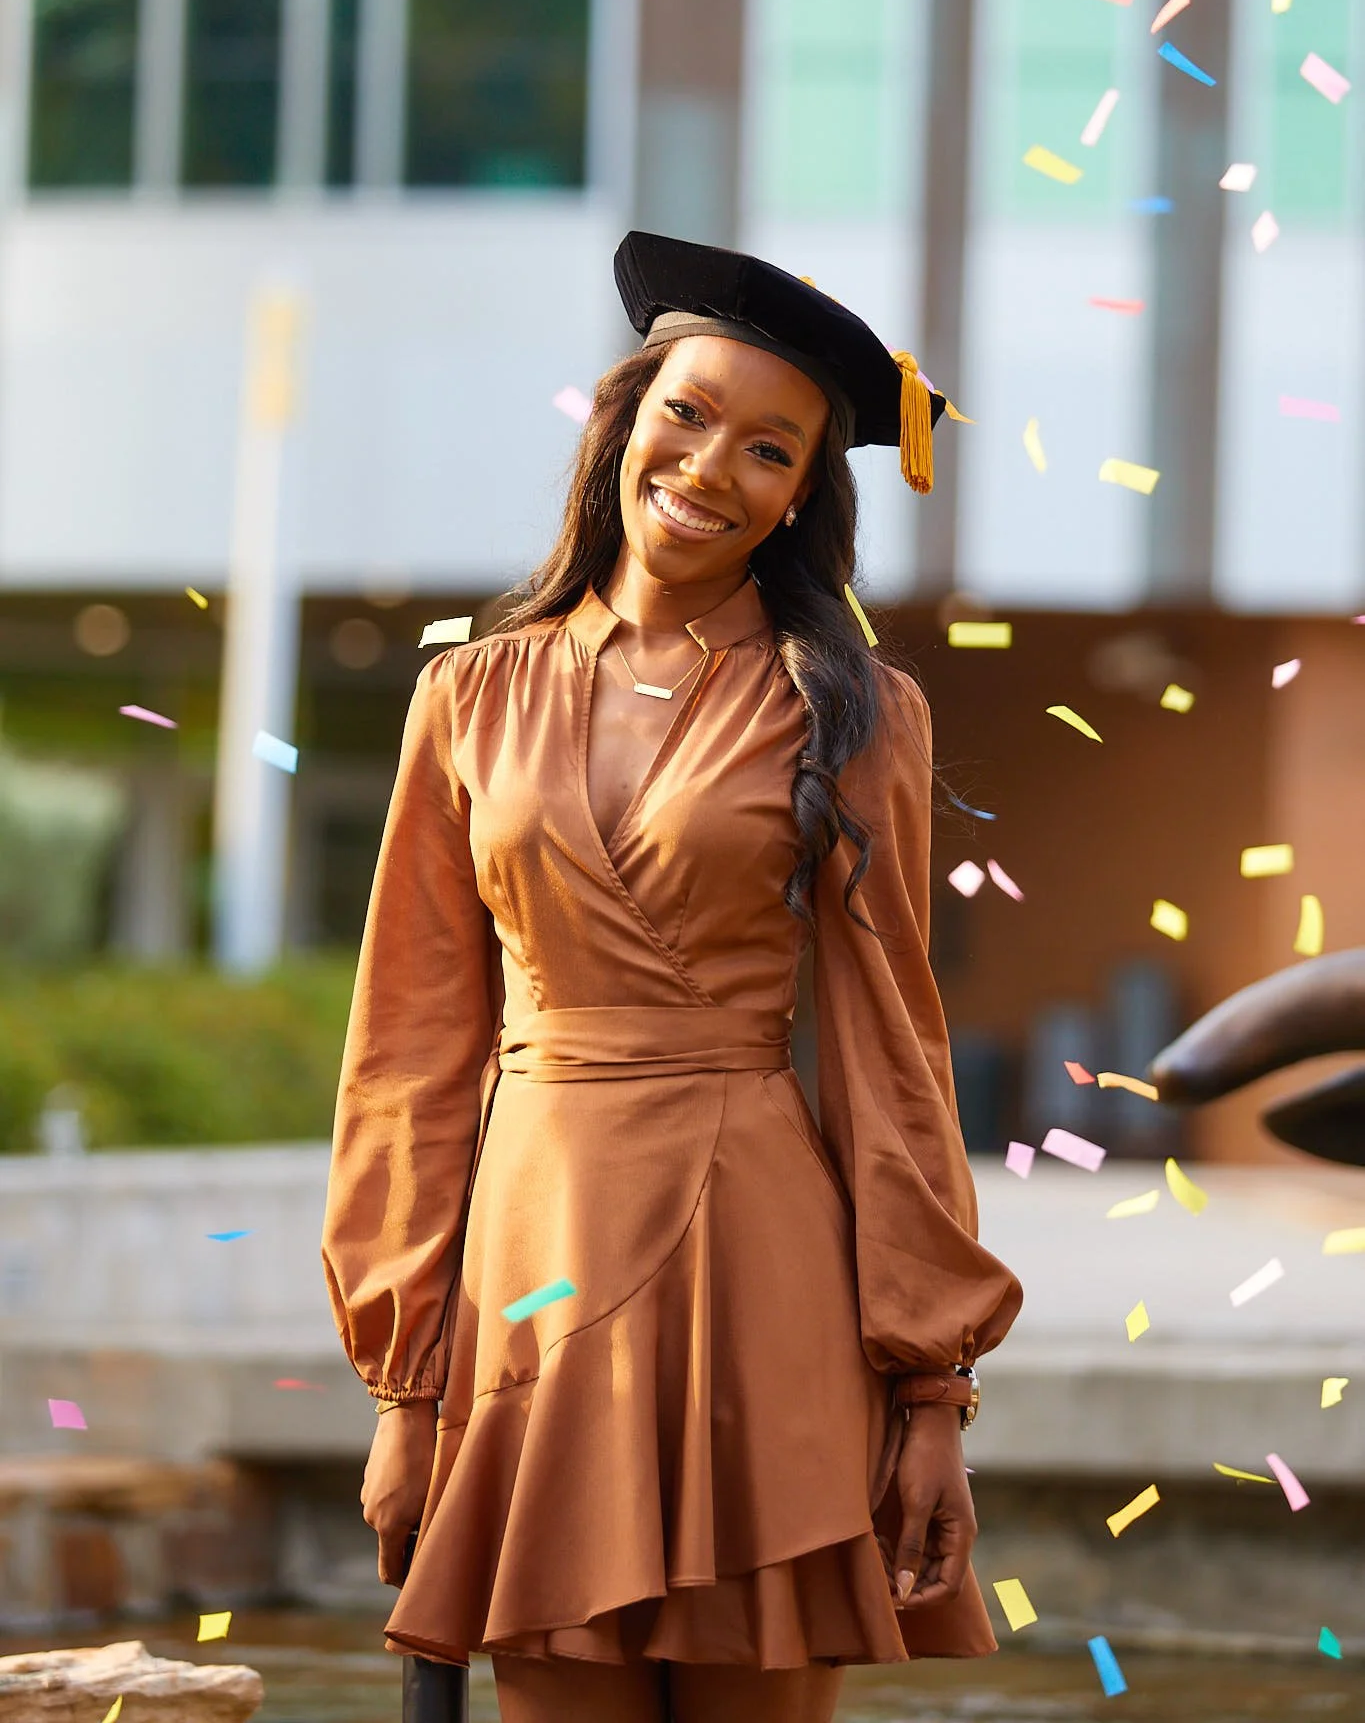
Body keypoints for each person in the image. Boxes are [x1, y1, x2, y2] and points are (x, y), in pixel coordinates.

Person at [321, 232, 1023, 1723]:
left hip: (759, 1272)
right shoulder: (467, 696)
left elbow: (896, 1056)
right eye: (688, 415)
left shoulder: (850, 710)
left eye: (769, 450)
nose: (711, 468)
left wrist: (931, 1391)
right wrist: (400, 1385)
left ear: (800, 499)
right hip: (530, 1284)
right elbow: (407, 1056)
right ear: (623, 418)